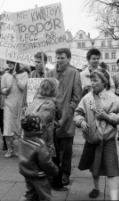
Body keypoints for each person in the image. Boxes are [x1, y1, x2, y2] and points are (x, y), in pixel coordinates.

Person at [74, 68, 119, 201]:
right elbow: (78, 113)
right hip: (92, 138)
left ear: (104, 82)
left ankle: (114, 197)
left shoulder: (114, 99)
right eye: (91, 79)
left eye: (95, 80)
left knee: (112, 168)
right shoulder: (86, 98)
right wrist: (81, 122)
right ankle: (96, 188)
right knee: (94, 166)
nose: (92, 82)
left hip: (107, 140)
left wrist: (107, 116)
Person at [47, 48, 82, 186]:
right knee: (52, 147)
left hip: (67, 116)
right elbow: (46, 92)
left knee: (66, 149)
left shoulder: (74, 73)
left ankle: (65, 174)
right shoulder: (50, 72)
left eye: (62, 58)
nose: (60, 60)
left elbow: (77, 95)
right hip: (52, 114)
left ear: (68, 58)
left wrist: (70, 109)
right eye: (58, 57)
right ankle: (55, 173)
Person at [25, 78, 64, 189]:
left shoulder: (36, 100)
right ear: (53, 90)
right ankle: (52, 185)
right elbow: (40, 121)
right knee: (51, 163)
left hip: (36, 139)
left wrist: (53, 121)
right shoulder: (49, 104)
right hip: (44, 140)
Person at [18, 114, 59, 201]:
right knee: (45, 195)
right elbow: (45, 162)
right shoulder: (39, 143)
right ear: (34, 128)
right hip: (39, 175)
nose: (42, 125)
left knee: (30, 194)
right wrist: (54, 170)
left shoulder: (22, 140)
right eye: (40, 123)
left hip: (27, 173)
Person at [1, 61, 28, 157]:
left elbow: (24, 87)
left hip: (20, 104)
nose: (9, 64)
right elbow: (2, 89)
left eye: (11, 63)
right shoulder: (5, 75)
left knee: (18, 128)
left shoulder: (24, 74)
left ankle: (18, 149)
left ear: (17, 63)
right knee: (7, 127)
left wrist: (16, 77)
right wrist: (6, 90)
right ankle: (10, 148)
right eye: (8, 63)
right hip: (8, 103)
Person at [0, 70, 7, 151]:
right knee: (2, 124)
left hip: (9, 106)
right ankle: (5, 140)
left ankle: (7, 141)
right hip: (0, 106)